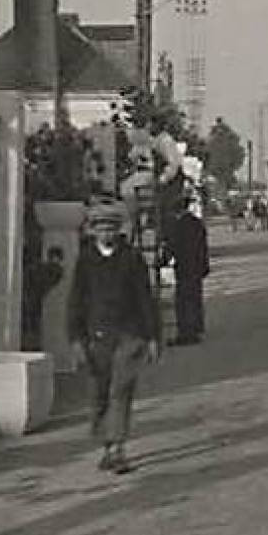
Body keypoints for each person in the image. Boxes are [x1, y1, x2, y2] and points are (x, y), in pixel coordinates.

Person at [68, 202, 161, 474]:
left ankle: (116, 448)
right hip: (97, 335)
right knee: (99, 393)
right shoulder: (85, 260)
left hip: (129, 334)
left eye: (111, 228)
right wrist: (75, 338)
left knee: (121, 390)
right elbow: (76, 300)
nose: (106, 233)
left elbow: (145, 298)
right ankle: (106, 440)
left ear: (118, 230)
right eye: (101, 228)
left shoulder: (131, 258)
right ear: (93, 231)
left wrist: (153, 336)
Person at [168, 195, 210, 345]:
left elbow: (172, 247)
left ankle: (185, 332)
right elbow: (204, 246)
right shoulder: (197, 223)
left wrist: (163, 260)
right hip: (197, 265)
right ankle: (197, 328)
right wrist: (205, 265)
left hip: (184, 267)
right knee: (196, 297)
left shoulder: (177, 226)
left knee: (183, 300)